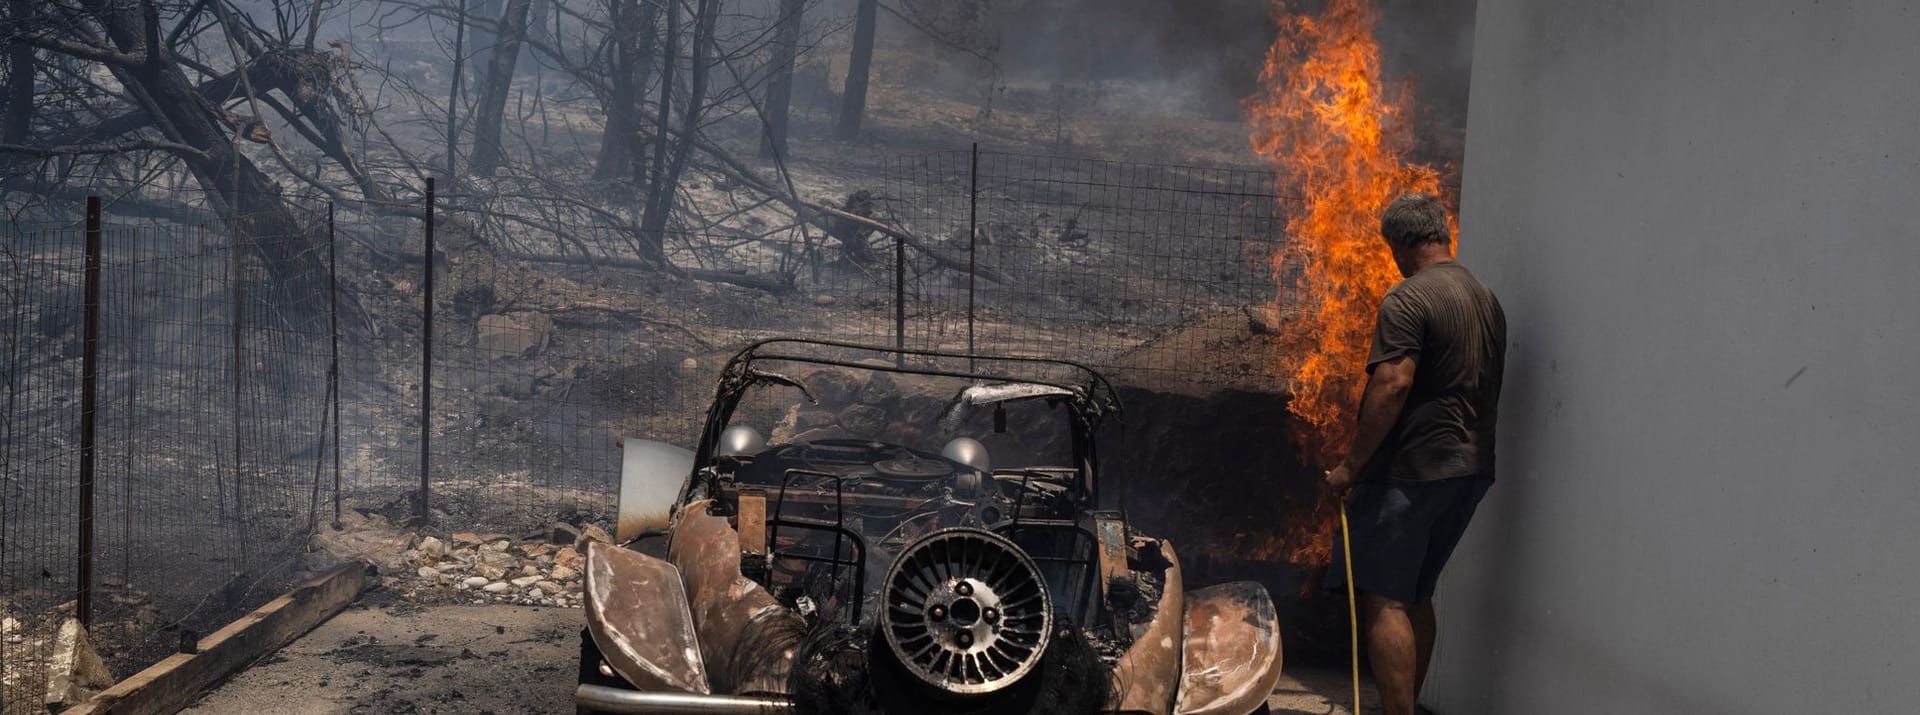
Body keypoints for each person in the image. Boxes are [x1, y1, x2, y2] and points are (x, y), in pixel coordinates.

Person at [1323, 193, 1506, 715]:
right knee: (1417, 593)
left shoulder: (1408, 297)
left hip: (1412, 472)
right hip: (1470, 470)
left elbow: (1393, 382)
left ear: (1400, 245)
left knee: (1383, 598)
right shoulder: (1485, 298)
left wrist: (1351, 467)